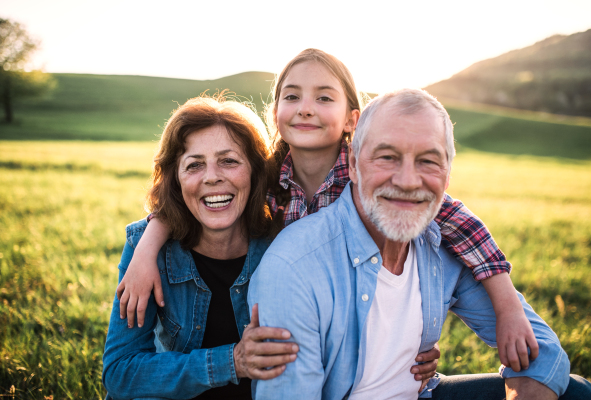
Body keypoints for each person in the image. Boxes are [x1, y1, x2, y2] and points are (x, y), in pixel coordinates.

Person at [117, 49, 534, 381]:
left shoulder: (372, 179)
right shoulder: (269, 181)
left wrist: (503, 307)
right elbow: (202, 193)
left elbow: (454, 220)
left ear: (353, 118)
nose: (305, 108)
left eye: (324, 97)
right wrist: (147, 247)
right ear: (276, 112)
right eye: (292, 96)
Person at [248, 88, 591, 400]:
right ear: (353, 164)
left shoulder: (442, 248)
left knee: (577, 392)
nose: (407, 180)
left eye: (428, 161)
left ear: (448, 174)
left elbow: (543, 352)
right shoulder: (292, 266)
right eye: (387, 157)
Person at [102, 96, 300, 399]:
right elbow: (120, 373)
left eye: (229, 161)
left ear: (255, 171)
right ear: (176, 180)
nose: (211, 177)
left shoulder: (284, 241)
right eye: (194, 165)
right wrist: (231, 362)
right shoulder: (147, 248)